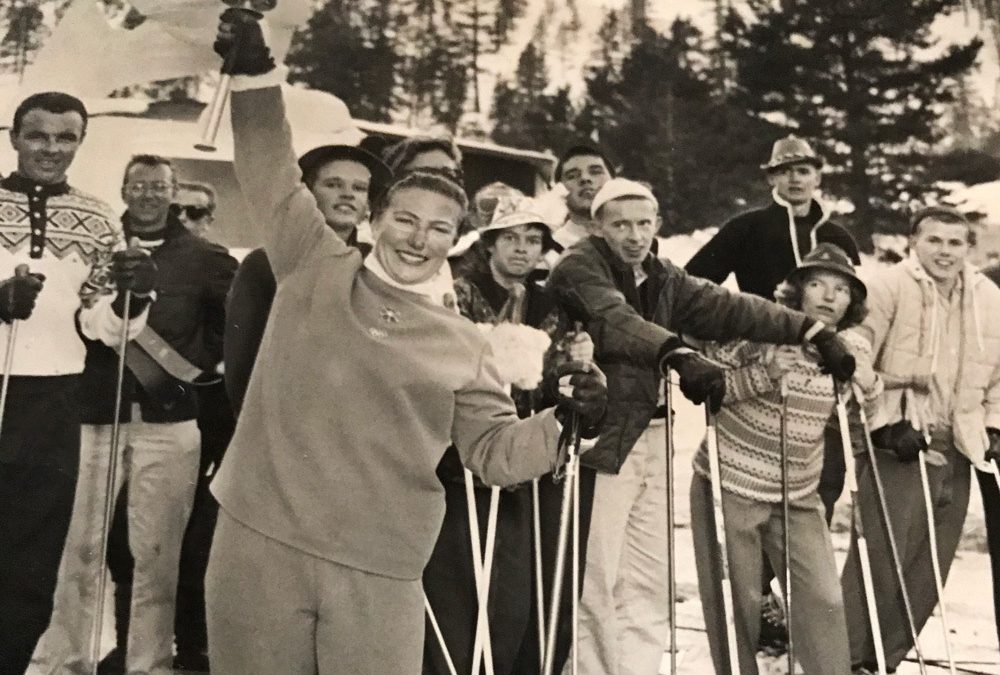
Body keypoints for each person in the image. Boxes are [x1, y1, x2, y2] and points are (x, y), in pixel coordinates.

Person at [205, 16, 608, 674]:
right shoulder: (314, 263)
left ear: (456, 240)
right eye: (406, 220)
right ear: (375, 218)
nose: (419, 240)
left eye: (439, 229)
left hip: (379, 564)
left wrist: (568, 420)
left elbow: (494, 453)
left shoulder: (462, 340)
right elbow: (268, 168)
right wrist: (256, 75)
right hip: (261, 541)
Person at [545, 177, 857, 675]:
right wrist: (678, 354)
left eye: (644, 223)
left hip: (652, 434)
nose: (633, 235)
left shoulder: (663, 276)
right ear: (598, 226)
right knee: (598, 574)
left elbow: (730, 306)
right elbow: (613, 319)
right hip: (599, 438)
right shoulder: (579, 266)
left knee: (650, 575)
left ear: (658, 225)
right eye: (620, 224)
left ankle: (637, 669)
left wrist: (810, 329)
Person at [30, 155, 236, 675]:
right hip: (92, 414)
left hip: (169, 420)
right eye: (138, 184)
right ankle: (64, 659)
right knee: (76, 550)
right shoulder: (97, 241)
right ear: (122, 188)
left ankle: (148, 664)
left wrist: (193, 367)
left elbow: (228, 329)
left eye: (158, 186)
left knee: (156, 555)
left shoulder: (207, 257)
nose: (147, 195)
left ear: (173, 193)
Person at [685, 134, 862, 649]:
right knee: (748, 505)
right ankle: (760, 597)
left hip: (821, 373)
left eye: (803, 169)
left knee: (816, 486)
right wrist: (749, 321)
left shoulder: (838, 234)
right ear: (771, 178)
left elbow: (851, 304)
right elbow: (695, 282)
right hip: (763, 358)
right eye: (784, 171)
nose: (795, 178)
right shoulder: (748, 227)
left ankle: (799, 596)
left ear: (818, 175)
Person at [0, 91, 155, 675]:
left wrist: (133, 295)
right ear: (14, 137)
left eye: (66, 138)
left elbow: (102, 323)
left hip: (51, 402)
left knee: (31, 556)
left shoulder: (95, 218)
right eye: (38, 135)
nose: (52, 149)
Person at [689, 243, 877, 675]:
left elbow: (864, 395)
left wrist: (863, 379)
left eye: (841, 289)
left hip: (797, 492)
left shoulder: (845, 348)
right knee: (738, 601)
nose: (829, 297)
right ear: (797, 292)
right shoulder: (759, 331)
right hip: (731, 481)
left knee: (824, 599)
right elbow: (710, 393)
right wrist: (765, 372)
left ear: (852, 301)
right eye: (816, 284)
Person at [422, 204, 593, 675]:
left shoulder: (549, 305)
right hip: (464, 453)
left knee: (514, 584)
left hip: (524, 451)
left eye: (532, 240)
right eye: (511, 238)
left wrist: (572, 368)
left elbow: (558, 375)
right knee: (460, 581)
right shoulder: (459, 294)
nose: (522, 249)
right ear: (490, 243)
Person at [840, 205, 1000, 673]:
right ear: (914, 241)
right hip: (901, 442)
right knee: (880, 559)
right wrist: (884, 421)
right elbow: (856, 350)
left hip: (959, 446)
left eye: (955, 242)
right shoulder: (888, 286)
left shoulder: (987, 296)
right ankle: (845, 660)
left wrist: (994, 425)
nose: (944, 252)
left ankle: (881, 663)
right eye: (934, 240)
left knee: (929, 568)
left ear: (968, 247)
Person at [224, 142, 391, 414]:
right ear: (308, 195)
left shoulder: (377, 266)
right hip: (280, 420)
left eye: (359, 188)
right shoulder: (264, 264)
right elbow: (241, 365)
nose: (347, 194)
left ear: (368, 206)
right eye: (333, 184)